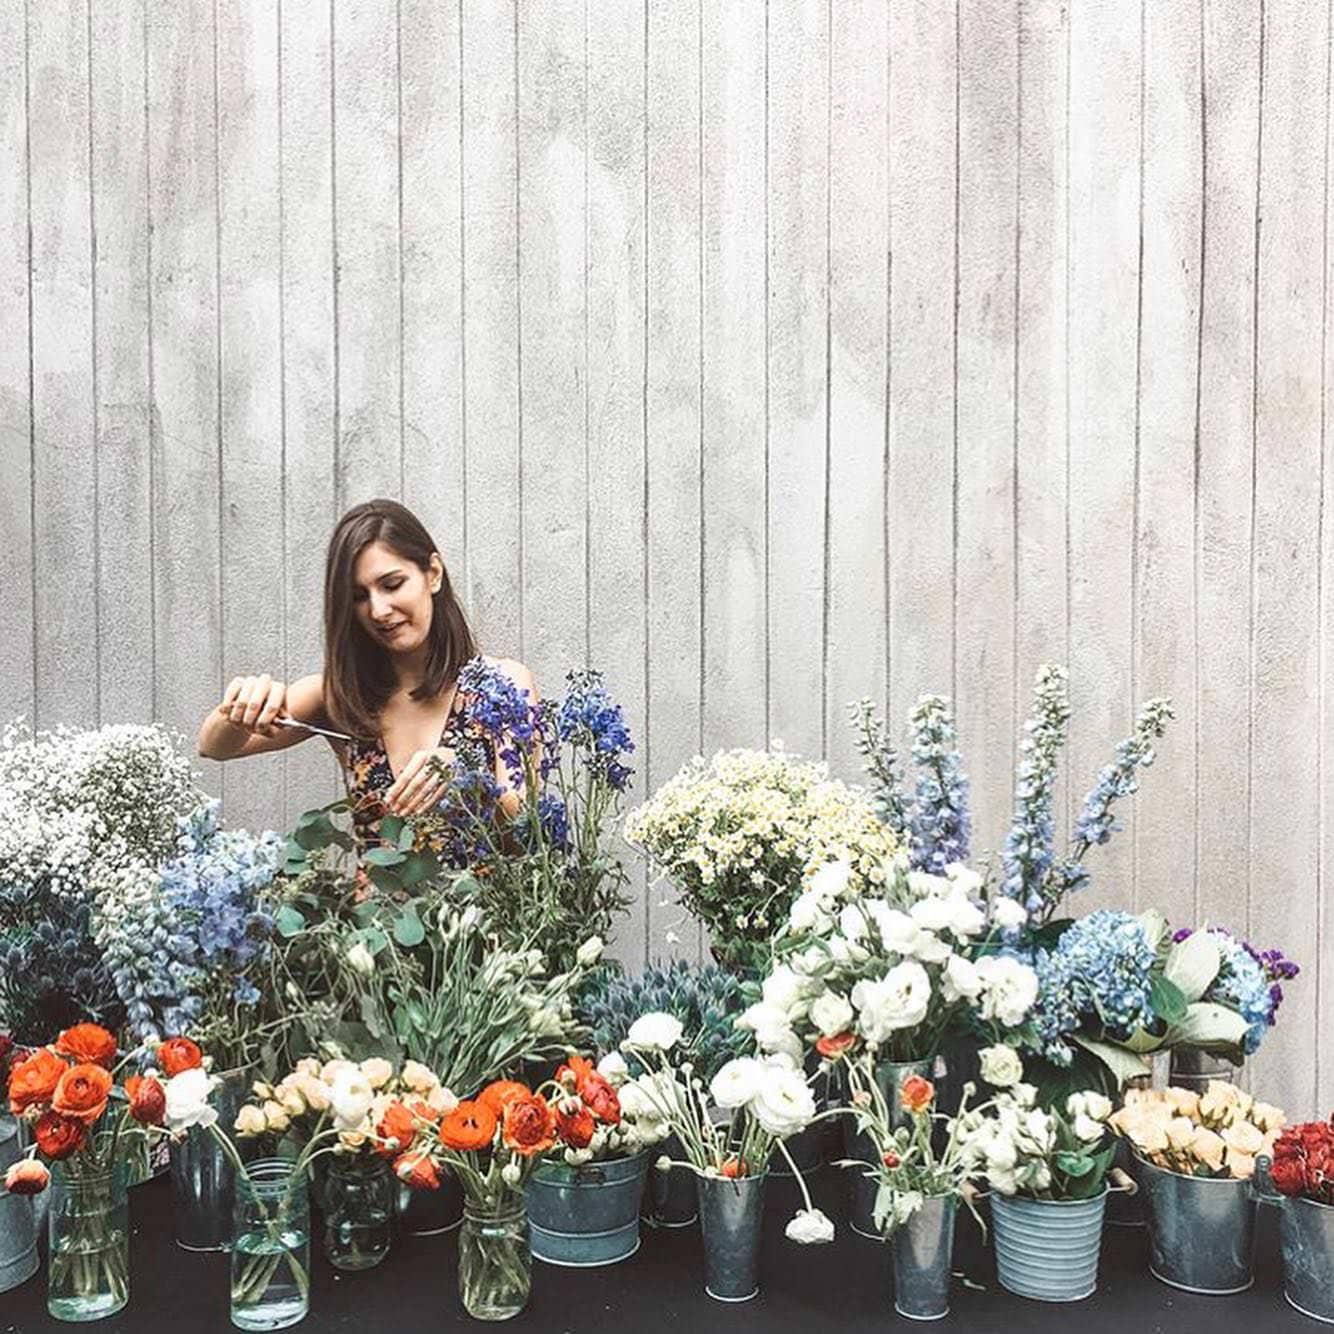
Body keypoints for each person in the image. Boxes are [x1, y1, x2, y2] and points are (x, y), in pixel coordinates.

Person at [196, 498, 536, 850]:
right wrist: (239, 708)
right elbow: (213, 747)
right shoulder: (342, 698)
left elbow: (527, 827)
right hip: (377, 906)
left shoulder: (502, 687)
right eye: (359, 596)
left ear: (433, 574)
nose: (378, 610)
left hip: (486, 904)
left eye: (392, 584)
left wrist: (468, 779)